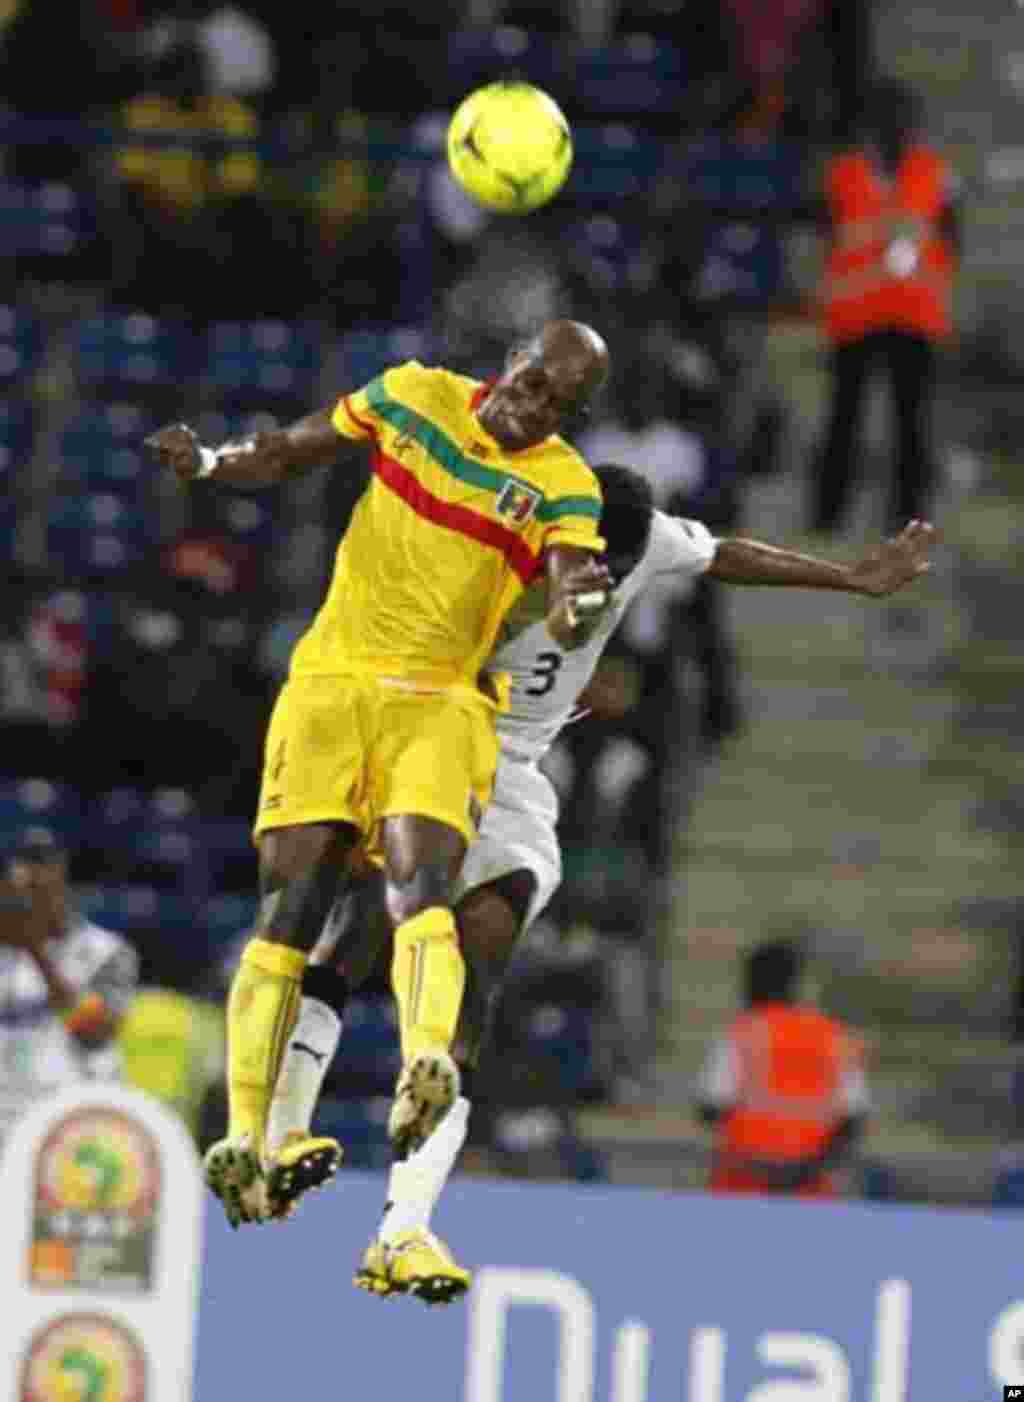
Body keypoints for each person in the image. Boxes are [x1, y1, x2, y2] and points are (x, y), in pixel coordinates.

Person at [261, 468, 934, 1302]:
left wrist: (849, 577)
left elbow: (726, 553)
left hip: (514, 779)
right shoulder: (500, 545)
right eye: (595, 557)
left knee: (477, 972)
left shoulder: (644, 539)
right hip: (433, 739)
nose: (608, 572)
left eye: (621, 559)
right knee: (365, 932)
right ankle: (282, 1131)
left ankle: (405, 1220)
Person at [143, 321, 614, 1248]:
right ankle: (245, 1137)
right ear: (510, 358)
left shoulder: (566, 482)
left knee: (419, 889)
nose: (535, 407)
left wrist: (576, 604)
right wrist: (206, 463)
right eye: (532, 382)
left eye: (559, 403)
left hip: (440, 702)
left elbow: (568, 586)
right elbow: (284, 451)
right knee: (290, 916)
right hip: (331, 685)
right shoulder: (410, 395)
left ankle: (428, 1060)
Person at [811, 78, 960, 535]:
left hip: (914, 315)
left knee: (912, 423)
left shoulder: (936, 173)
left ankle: (910, 520)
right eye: (887, 117)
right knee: (843, 420)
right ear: (871, 124)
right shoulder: (843, 174)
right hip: (855, 315)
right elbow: (824, 233)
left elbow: (953, 237)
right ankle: (827, 516)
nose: (896, 126)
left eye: (902, 117)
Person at [696, 938, 870, 1197]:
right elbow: (853, 1120)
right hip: (810, 1190)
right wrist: (807, 1167)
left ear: (750, 983)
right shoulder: (834, 1037)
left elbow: (709, 1107)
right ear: (794, 984)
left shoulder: (741, 1034)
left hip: (743, 1185)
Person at [0, 828, 139, 1146]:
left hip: (71, 1124)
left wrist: (34, 951)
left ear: (62, 884)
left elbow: (96, 1034)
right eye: (21, 893)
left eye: (40, 889)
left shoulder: (106, 951)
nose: (30, 902)